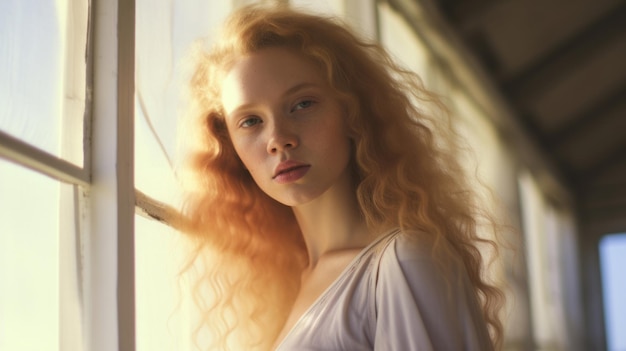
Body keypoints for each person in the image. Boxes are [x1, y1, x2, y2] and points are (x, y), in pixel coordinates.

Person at [178, 3, 504, 350]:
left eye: (302, 104)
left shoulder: (402, 263)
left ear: (351, 111)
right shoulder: (294, 283)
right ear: (230, 146)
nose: (278, 139)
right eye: (250, 121)